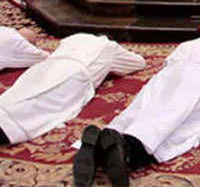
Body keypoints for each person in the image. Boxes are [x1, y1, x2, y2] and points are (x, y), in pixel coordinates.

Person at [73, 38, 200, 187]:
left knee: (143, 110)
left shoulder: (184, 46)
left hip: (165, 78)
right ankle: (130, 150)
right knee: (180, 122)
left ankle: (100, 144)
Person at [0, 33, 144, 146]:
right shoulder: (108, 46)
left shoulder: (72, 38)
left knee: (18, 96)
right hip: (74, 73)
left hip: (44, 68)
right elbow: (138, 63)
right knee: (38, 107)